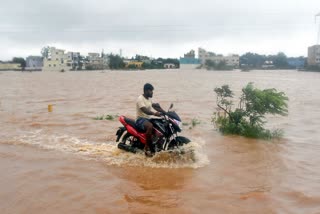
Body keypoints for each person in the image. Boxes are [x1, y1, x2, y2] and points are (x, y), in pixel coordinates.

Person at [136, 83, 164, 157]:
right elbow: (145, 110)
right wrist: (155, 113)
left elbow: (155, 106)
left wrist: (165, 112)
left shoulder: (148, 99)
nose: (152, 92)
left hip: (148, 119)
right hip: (140, 119)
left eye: (152, 91)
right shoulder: (140, 99)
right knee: (150, 126)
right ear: (146, 91)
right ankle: (147, 146)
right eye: (151, 90)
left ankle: (158, 146)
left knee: (161, 127)